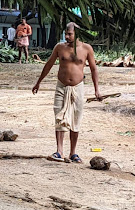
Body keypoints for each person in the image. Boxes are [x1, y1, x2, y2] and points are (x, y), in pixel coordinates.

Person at [31, 22, 102, 164]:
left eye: (70, 34)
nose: (67, 36)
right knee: (59, 117)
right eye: (66, 33)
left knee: (76, 119)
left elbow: (93, 69)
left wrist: (97, 90)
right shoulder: (59, 47)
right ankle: (59, 151)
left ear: (77, 35)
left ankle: (73, 153)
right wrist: (38, 82)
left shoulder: (87, 49)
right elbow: (49, 64)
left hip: (78, 87)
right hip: (61, 87)